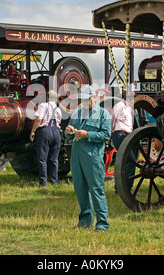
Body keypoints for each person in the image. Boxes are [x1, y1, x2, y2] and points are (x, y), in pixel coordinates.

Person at [65, 85, 111, 231]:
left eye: (87, 99)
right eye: (82, 100)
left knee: (96, 189)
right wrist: (68, 132)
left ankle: (102, 224)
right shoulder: (77, 113)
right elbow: (68, 136)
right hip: (77, 156)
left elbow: (106, 135)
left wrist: (88, 135)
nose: (85, 102)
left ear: (94, 97)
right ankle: (85, 222)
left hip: (93, 157)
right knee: (80, 189)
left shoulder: (103, 114)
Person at [30, 90, 62, 186]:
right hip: (56, 132)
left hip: (45, 131)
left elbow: (39, 119)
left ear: (47, 98)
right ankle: (54, 181)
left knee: (42, 158)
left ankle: (43, 182)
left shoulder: (43, 105)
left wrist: (33, 131)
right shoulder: (58, 109)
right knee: (54, 159)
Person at [111, 91, 136, 190]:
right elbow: (112, 120)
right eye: (130, 96)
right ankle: (127, 188)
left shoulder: (129, 108)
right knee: (131, 161)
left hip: (126, 135)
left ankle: (119, 187)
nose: (132, 98)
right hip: (120, 134)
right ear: (126, 96)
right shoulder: (119, 106)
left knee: (124, 161)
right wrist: (110, 135)